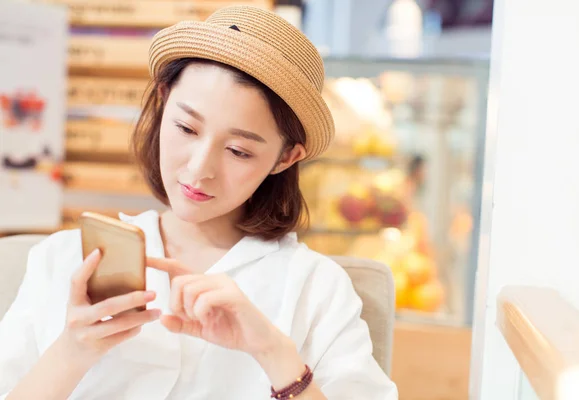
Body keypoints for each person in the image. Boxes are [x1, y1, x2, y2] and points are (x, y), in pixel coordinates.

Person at [0, 5, 398, 400]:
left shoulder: (315, 288)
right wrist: (72, 352)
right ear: (163, 98)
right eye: (186, 127)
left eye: (239, 151)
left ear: (285, 157)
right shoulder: (62, 260)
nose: (199, 168)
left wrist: (274, 354)